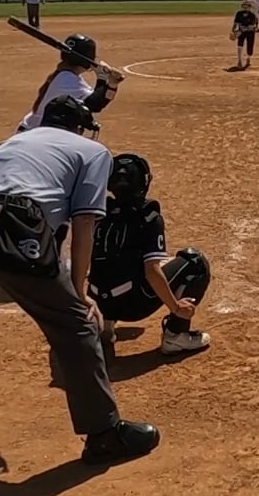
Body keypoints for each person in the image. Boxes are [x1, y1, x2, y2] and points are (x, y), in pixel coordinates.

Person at [0, 96, 160, 465]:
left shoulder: (12, 141)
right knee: (77, 324)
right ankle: (103, 434)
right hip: (13, 224)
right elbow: (84, 222)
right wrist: (79, 292)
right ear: (80, 127)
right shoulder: (93, 151)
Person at [88, 153, 213, 357]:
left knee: (116, 262)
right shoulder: (148, 217)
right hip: (132, 306)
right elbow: (152, 272)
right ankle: (176, 335)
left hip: (98, 303)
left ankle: (104, 324)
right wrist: (176, 307)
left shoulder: (97, 213)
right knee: (194, 262)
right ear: (143, 182)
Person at [17, 34, 123, 133]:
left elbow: (99, 100)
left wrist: (112, 84)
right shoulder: (66, 80)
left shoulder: (64, 76)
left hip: (38, 134)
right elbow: (94, 105)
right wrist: (102, 78)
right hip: (35, 136)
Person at [230, 0, 259, 70]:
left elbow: (251, 26)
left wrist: (242, 30)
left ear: (249, 7)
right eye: (244, 6)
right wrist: (233, 31)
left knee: (250, 48)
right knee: (239, 45)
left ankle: (248, 58)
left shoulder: (252, 15)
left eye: (247, 6)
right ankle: (239, 61)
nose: (245, 7)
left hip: (250, 32)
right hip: (241, 31)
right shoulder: (239, 14)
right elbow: (235, 23)